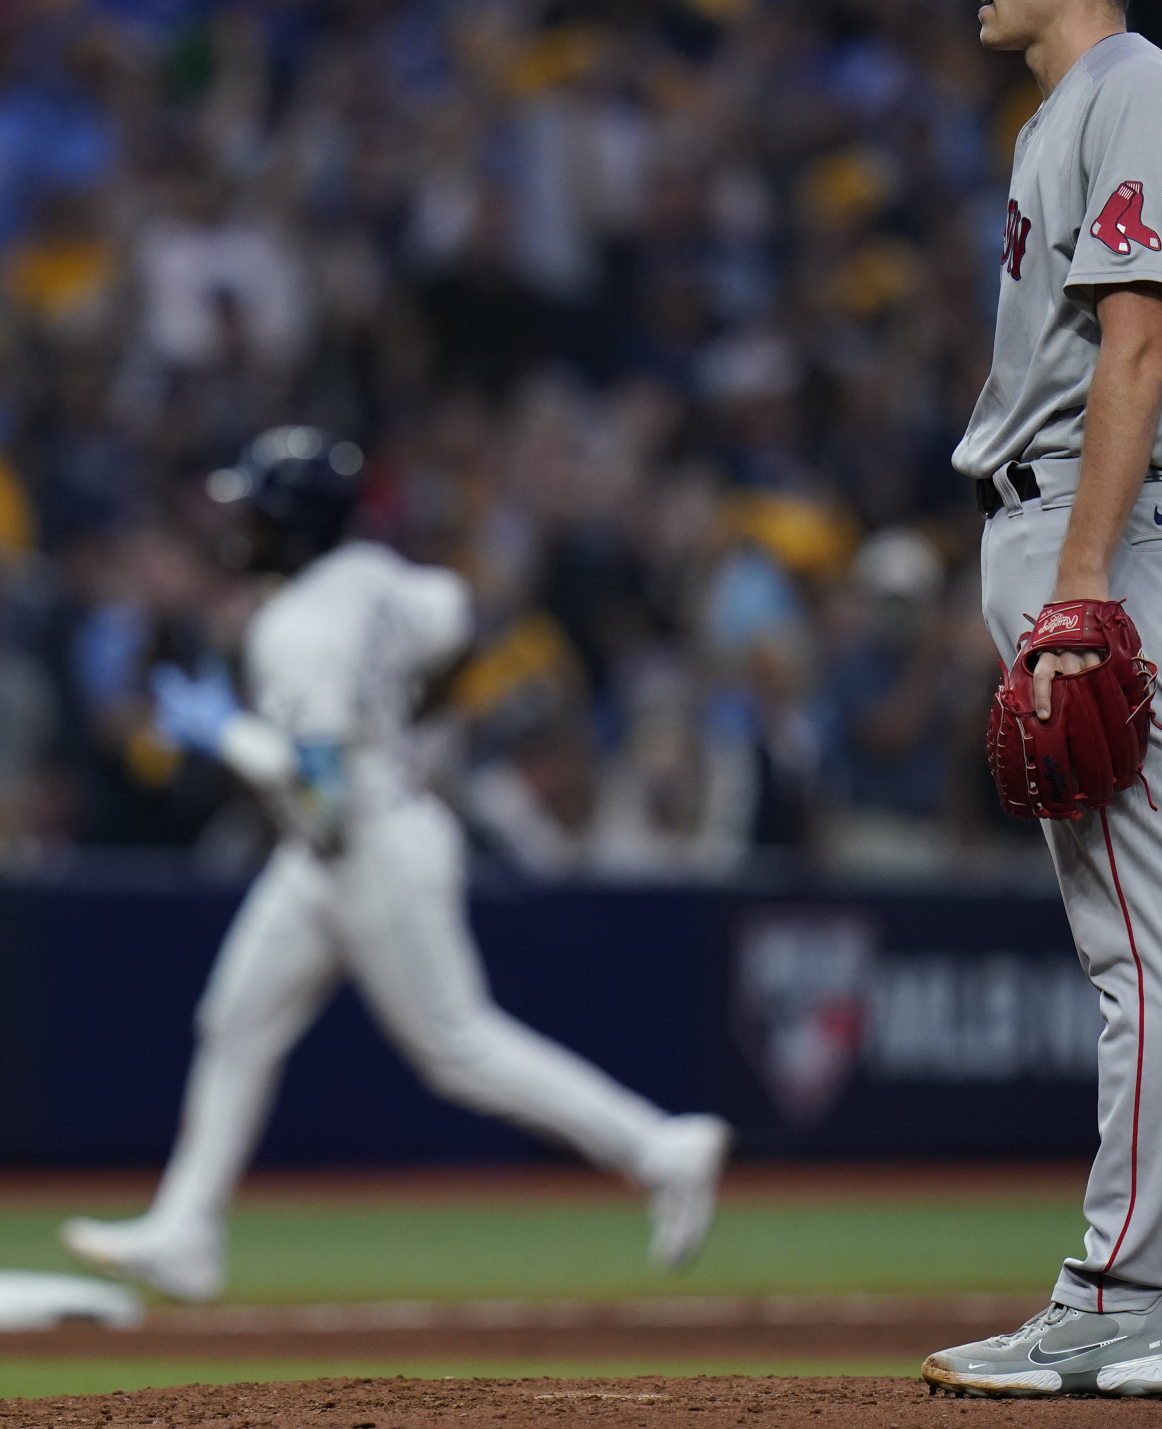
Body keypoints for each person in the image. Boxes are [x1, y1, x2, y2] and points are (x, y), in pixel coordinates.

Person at [60, 426, 731, 1301]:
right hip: (356, 834)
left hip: (366, 842)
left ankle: (661, 1149)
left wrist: (227, 733)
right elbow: (453, 614)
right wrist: (398, 721)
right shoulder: (378, 577)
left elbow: (320, 801)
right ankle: (188, 1229)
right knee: (237, 1020)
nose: (243, 526)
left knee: (457, 1045)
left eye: (259, 511)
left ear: (294, 523)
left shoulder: (294, 628)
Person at [916, 0, 1162, 1402]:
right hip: (1054, 530)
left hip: (1095, 540)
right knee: (1128, 948)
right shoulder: (1065, 114)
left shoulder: (1132, 90)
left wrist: (1084, 585)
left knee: (1143, 956)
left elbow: (1138, 347)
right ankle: (1137, 1293)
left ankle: (1135, 1298)